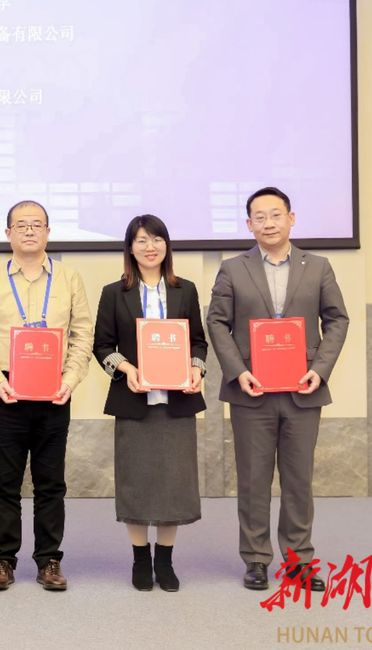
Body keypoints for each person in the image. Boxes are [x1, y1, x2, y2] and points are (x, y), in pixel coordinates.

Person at [206, 186, 349, 592]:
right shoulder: (233, 268)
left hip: (304, 389)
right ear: (248, 224)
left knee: (298, 480)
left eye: (275, 214)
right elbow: (217, 321)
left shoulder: (318, 266)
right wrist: (237, 372)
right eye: (259, 217)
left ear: (291, 218)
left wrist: (320, 369)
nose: (268, 223)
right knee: (253, 480)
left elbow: (337, 320)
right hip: (251, 391)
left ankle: (299, 560)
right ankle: (255, 559)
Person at [0, 200, 94, 591]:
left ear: (48, 232)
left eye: (37, 224)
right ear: (8, 233)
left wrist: (70, 379)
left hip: (55, 391)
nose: (29, 231)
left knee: (50, 483)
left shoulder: (69, 278)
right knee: (3, 483)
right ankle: (2, 560)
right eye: (21, 225)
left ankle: (49, 560)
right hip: (7, 391)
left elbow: (82, 334)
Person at [92, 215, 207, 592]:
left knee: (174, 485)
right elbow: (102, 345)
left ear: (166, 245)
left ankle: (165, 560)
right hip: (134, 403)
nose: (150, 247)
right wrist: (126, 369)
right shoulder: (114, 292)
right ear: (130, 248)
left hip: (176, 404)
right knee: (137, 484)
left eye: (156, 239)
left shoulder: (185, 290)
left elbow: (198, 341)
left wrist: (196, 369)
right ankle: (141, 559)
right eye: (141, 240)